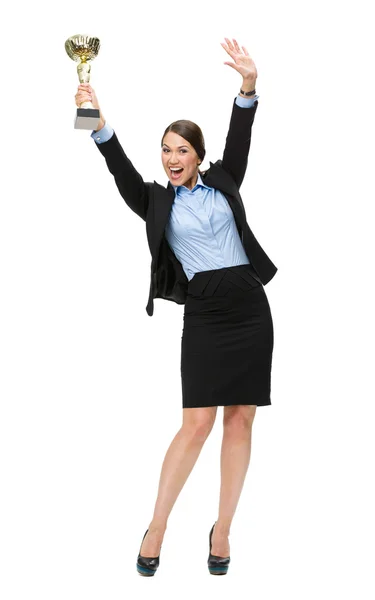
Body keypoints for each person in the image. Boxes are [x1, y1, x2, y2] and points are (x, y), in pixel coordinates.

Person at [75, 37, 277, 577]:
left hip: (250, 307)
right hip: (206, 314)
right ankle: (158, 524)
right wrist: (88, 111)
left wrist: (248, 84)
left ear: (198, 155)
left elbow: (242, 132)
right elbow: (114, 164)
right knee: (195, 425)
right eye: (165, 150)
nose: (171, 160)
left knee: (240, 423)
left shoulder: (225, 180)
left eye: (181, 151)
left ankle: (223, 528)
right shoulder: (155, 200)